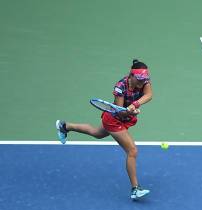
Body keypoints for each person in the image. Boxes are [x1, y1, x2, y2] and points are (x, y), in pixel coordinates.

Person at [55, 59, 154, 200]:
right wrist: (130, 111)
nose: (141, 83)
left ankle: (65, 126)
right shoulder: (120, 87)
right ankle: (135, 189)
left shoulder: (144, 82)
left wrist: (135, 104)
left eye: (143, 81)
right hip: (114, 119)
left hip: (125, 118)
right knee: (132, 151)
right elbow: (119, 112)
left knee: (97, 133)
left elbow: (149, 95)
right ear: (131, 75)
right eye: (138, 80)